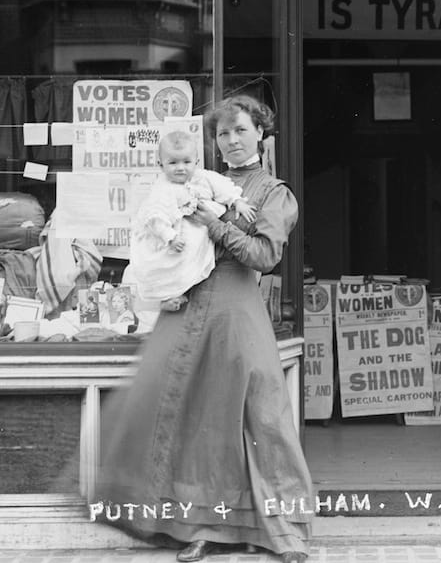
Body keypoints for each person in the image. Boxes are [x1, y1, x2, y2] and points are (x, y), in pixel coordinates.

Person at [93, 95, 312, 563]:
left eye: (241, 131)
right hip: (186, 303)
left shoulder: (272, 191)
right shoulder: (187, 178)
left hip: (235, 306)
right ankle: (200, 527)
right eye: (223, 134)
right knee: (193, 415)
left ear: (260, 133)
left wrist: (215, 224)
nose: (232, 141)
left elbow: (265, 257)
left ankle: (281, 528)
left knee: (259, 411)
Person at [124, 129, 255, 313]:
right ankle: (166, 298)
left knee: (191, 263)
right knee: (166, 264)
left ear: (196, 162)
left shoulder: (204, 177)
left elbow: (222, 187)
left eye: (186, 162)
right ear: (161, 165)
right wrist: (170, 237)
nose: (180, 168)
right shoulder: (162, 188)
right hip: (173, 234)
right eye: (173, 163)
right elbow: (155, 216)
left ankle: (180, 292)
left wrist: (237, 201)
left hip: (198, 229)